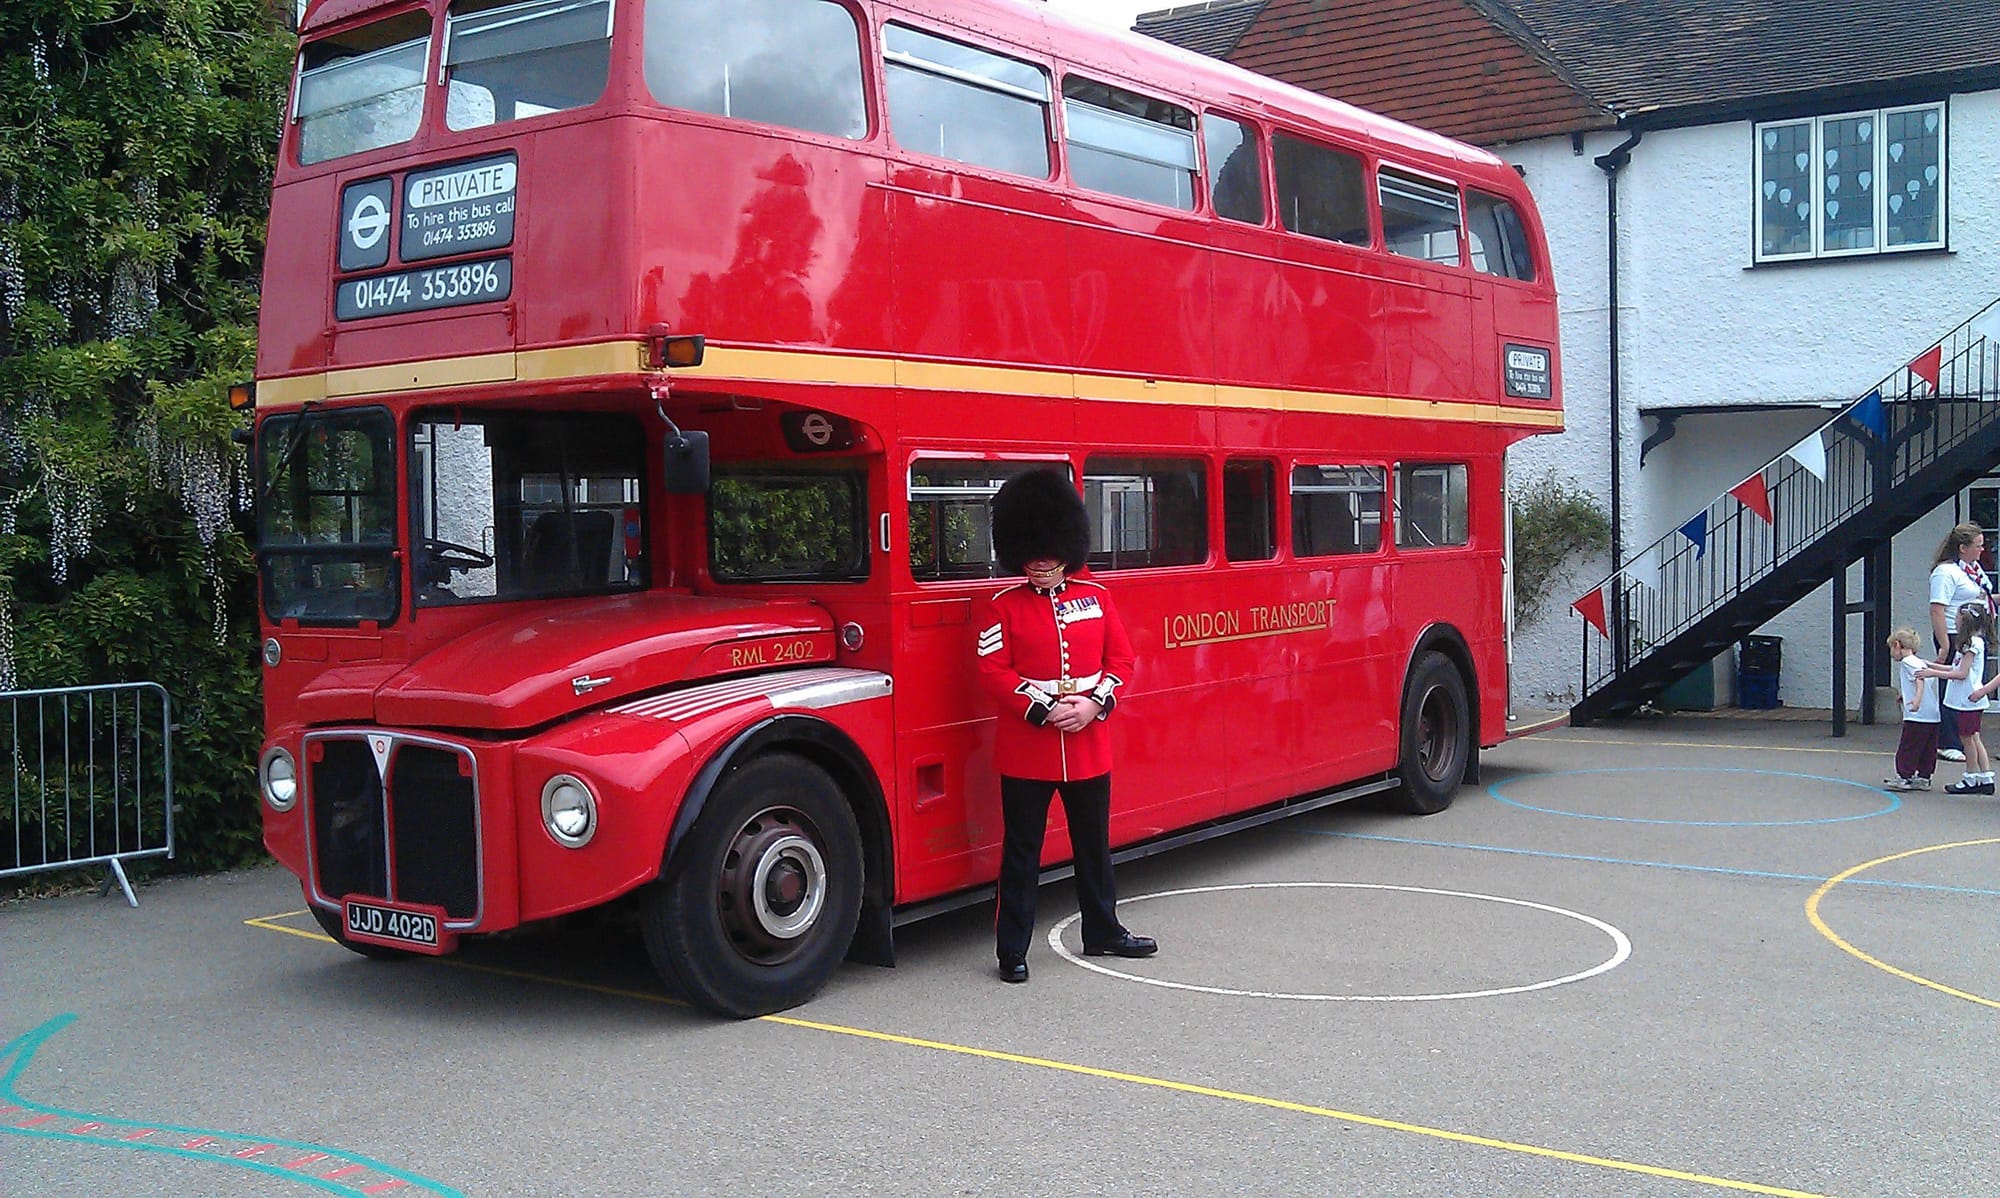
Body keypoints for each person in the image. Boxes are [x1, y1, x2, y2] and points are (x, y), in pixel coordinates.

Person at [976, 468, 1156, 984]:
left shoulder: (1096, 598)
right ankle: (1012, 948)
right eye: (1030, 553)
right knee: (1022, 853)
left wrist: (1094, 704)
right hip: (1028, 749)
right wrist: (1039, 708)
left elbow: (1121, 660)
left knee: (1094, 846)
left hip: (1087, 743)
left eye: (1047, 551)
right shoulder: (1002, 609)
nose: (1038, 562)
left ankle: (1102, 930)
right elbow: (993, 671)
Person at [1927, 523, 1993, 762]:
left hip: (1974, 632)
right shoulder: (1945, 572)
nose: (1982, 550)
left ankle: (1966, 735)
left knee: (1970, 684)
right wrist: (1944, 645)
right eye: (1978, 546)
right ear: (1963, 548)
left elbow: (1982, 597)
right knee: (1953, 686)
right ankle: (1948, 741)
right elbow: (1937, 609)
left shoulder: (1972, 569)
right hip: (1955, 634)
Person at [1919, 602, 1993, 795]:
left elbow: (1961, 673)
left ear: (1966, 621)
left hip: (1967, 698)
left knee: (1967, 740)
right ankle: (1985, 777)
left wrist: (1933, 673)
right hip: (1966, 698)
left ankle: (1971, 776)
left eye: (1958, 618)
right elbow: (1954, 668)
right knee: (1974, 738)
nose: (1955, 621)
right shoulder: (1970, 642)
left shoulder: (1971, 644)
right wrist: (1931, 666)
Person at [1883, 627, 1938, 791]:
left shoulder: (1908, 663)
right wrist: (1906, 696)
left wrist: (1916, 701)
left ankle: (1904, 775)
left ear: (1897, 645)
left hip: (1917, 715)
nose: (1892, 653)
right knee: (1928, 747)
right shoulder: (1920, 661)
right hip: (1932, 714)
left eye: (1891, 648)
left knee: (1909, 746)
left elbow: (1918, 681)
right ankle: (1924, 776)